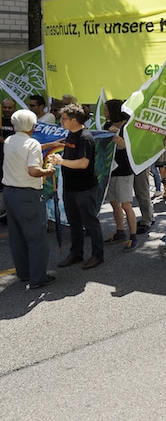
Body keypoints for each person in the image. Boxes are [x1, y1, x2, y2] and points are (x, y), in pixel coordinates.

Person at [2, 109, 56, 288]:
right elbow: (33, 170)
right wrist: (48, 171)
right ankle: (38, 277)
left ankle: (23, 272)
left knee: (17, 235)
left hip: (10, 192)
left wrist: (49, 145)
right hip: (28, 193)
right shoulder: (32, 143)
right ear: (32, 126)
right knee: (36, 237)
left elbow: (22, 150)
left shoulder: (9, 140)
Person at [51, 104, 105, 269]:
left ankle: (97, 255)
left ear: (74, 120)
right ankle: (76, 253)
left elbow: (83, 163)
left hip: (84, 188)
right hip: (70, 187)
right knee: (74, 222)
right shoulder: (70, 134)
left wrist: (61, 161)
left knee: (90, 222)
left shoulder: (85, 138)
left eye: (64, 118)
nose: (62, 121)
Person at [102, 99, 138, 251]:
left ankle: (133, 236)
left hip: (124, 170)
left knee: (126, 204)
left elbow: (131, 148)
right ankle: (120, 232)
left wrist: (121, 142)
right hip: (111, 170)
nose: (104, 113)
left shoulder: (128, 127)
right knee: (114, 202)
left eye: (106, 110)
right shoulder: (106, 125)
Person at [0, 98, 17, 185]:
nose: (7, 110)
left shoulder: (18, 122)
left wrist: (6, 140)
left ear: (14, 108)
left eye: (9, 108)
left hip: (11, 157)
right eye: (5, 107)